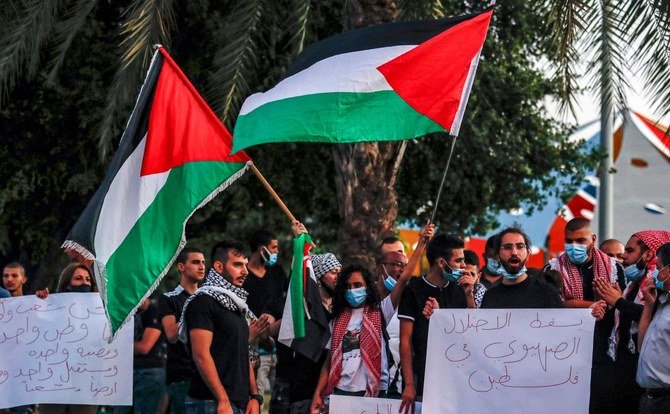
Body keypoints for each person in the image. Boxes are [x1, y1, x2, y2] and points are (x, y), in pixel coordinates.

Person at [547, 218, 624, 414]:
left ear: (593, 239)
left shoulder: (613, 268)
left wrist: (607, 303)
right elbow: (552, 306)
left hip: (604, 351)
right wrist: (592, 306)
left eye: (581, 241)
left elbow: (620, 303)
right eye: (569, 241)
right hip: (566, 353)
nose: (574, 247)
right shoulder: (553, 268)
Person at [179, 240, 261, 414]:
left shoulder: (237, 305)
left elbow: (242, 351)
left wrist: (255, 397)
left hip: (239, 403)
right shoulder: (203, 301)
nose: (245, 271)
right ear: (218, 266)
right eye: (238, 265)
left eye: (246, 265)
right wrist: (222, 400)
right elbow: (201, 355)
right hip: (210, 403)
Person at [397, 234, 476, 413]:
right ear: (442, 263)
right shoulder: (413, 291)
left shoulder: (460, 289)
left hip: (457, 379)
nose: (464, 266)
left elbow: (472, 333)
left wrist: (469, 295)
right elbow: (405, 342)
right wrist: (409, 383)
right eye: (459, 260)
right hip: (424, 380)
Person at [594, 230, 670, 413]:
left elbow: (649, 318)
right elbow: (645, 334)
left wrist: (619, 302)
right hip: (639, 385)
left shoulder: (657, 287)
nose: (623, 256)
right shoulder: (633, 285)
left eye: (629, 251)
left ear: (648, 255)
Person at [310, 265, 394, 413]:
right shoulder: (337, 321)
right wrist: (318, 393)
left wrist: (420, 245)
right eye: (348, 287)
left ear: (368, 287)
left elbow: (403, 282)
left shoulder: (381, 312)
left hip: (374, 392)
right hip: (342, 391)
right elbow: (329, 362)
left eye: (358, 285)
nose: (352, 290)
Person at [271, 243, 342, 414]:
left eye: (340, 273)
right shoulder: (302, 309)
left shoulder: (341, 309)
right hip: (299, 393)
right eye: (333, 273)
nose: (338, 278)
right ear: (317, 278)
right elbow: (273, 332)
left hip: (328, 391)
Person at [376, 222, 434, 398]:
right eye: (394, 262)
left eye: (404, 263)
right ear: (381, 265)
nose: (400, 269)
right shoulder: (368, 301)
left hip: (400, 388)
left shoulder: (413, 296)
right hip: (369, 386)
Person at [33, 263, 98, 414]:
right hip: (54, 384)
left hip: (86, 384)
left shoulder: (100, 312)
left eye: (88, 279)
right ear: (67, 284)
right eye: (78, 278)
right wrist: (39, 304)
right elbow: (35, 334)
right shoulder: (51, 307)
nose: (84, 283)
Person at [158, 248, 206, 414]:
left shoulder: (207, 298)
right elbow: (171, 335)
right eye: (195, 262)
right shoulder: (168, 298)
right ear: (181, 267)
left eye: (203, 262)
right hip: (182, 378)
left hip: (207, 375)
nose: (201, 266)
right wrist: (193, 309)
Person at [244, 230, 288, 397]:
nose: (276, 252)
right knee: (257, 397)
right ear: (262, 249)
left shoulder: (277, 272)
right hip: (254, 349)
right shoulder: (243, 275)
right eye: (274, 248)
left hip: (279, 348)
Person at [480, 228, 564, 309]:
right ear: (497, 255)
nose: (514, 252)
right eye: (507, 247)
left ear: (527, 254)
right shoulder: (490, 297)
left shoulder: (547, 292)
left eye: (520, 247)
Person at [114, 297, 166, 414]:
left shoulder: (154, 311)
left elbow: (144, 347)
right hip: (126, 372)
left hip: (148, 371)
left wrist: (117, 347)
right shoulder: (125, 312)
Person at [636, 242, 670, 414]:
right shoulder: (663, 304)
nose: (655, 272)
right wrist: (649, 306)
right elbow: (641, 348)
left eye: (658, 267)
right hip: (651, 399)